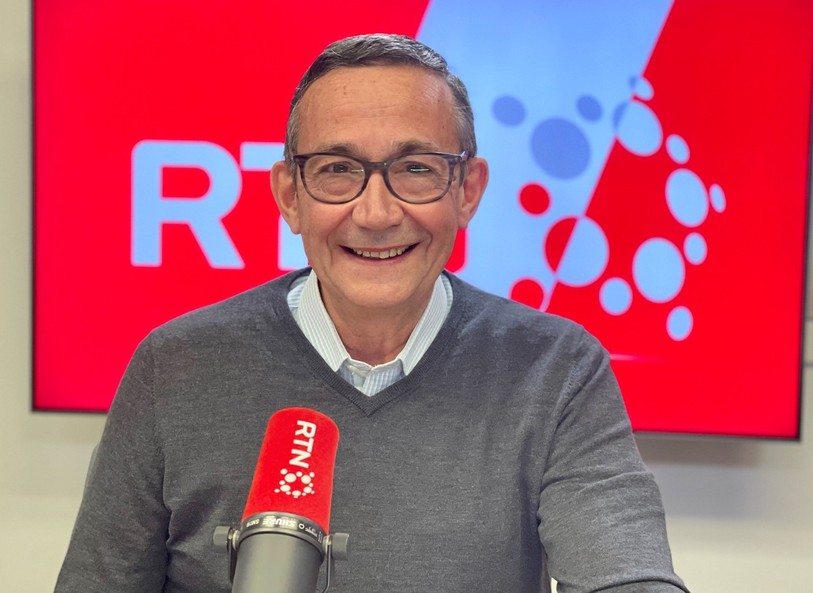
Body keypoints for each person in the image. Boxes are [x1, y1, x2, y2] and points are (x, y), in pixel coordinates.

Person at [55, 34, 689, 593]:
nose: (377, 213)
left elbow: (627, 572)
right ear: (290, 196)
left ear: (467, 191)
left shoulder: (556, 369)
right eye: (338, 170)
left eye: (415, 169)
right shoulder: (175, 367)